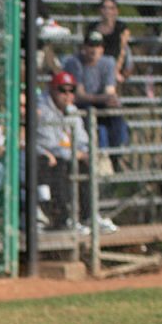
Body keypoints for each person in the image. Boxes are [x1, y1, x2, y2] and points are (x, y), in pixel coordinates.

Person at [35, 70, 118, 234]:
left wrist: (84, 153)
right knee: (61, 167)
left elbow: (83, 140)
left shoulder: (72, 110)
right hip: (45, 160)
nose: (67, 95)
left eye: (71, 90)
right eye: (62, 90)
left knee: (87, 165)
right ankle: (65, 219)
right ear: (52, 90)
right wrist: (76, 154)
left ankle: (89, 216)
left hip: (68, 156)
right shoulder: (42, 111)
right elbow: (50, 145)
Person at [62, 30, 129, 153]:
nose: (94, 50)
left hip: (99, 103)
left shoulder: (108, 62)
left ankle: (117, 152)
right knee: (89, 110)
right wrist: (104, 98)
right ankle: (96, 153)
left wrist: (109, 99)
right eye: (91, 45)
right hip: (80, 105)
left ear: (102, 49)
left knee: (116, 113)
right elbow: (79, 95)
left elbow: (110, 91)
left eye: (97, 46)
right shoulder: (74, 62)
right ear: (84, 47)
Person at [85, 0, 133, 83]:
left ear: (116, 11)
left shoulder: (121, 27)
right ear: (100, 10)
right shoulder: (92, 27)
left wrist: (114, 72)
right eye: (104, 7)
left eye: (111, 8)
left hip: (116, 64)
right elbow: (87, 48)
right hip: (96, 64)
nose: (107, 11)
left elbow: (122, 50)